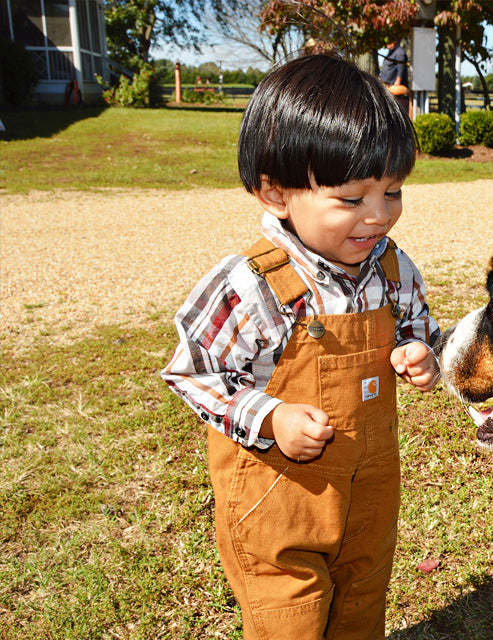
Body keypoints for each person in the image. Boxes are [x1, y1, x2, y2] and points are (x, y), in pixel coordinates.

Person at [161, 53, 441, 640]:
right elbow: (192, 372)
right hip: (277, 502)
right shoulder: (253, 283)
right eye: (350, 199)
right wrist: (271, 415)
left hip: (369, 492)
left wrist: (420, 353)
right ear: (274, 192)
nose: (378, 216)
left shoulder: (393, 270)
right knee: (291, 616)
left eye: (392, 192)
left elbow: (420, 328)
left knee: (363, 599)